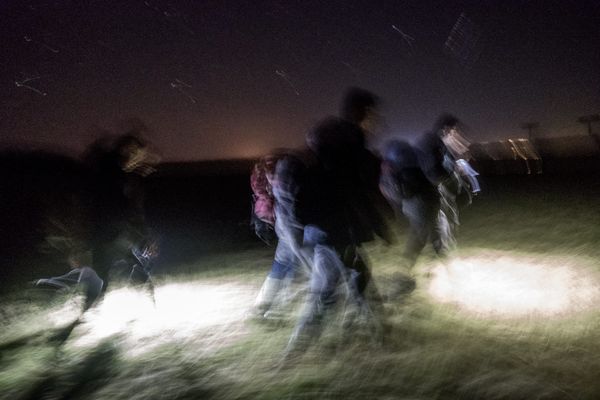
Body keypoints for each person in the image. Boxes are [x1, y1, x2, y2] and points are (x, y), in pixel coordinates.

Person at [283, 88, 393, 360]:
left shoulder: (329, 140)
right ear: (361, 112)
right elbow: (356, 190)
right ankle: (293, 355)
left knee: (358, 278)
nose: (375, 121)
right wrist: (381, 227)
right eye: (372, 114)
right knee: (327, 291)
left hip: (323, 228)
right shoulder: (350, 143)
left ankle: (382, 336)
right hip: (336, 229)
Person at [84, 132, 159, 294]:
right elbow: (126, 204)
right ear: (127, 150)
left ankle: (146, 293)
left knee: (108, 266)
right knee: (116, 263)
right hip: (110, 226)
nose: (136, 159)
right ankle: (146, 294)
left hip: (106, 226)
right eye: (134, 154)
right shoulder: (114, 172)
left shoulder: (111, 168)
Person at [251, 149, 312, 320]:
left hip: (282, 222)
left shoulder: (262, 175)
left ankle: (263, 303)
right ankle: (277, 307)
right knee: (300, 265)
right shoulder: (288, 177)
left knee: (282, 262)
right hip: (291, 224)